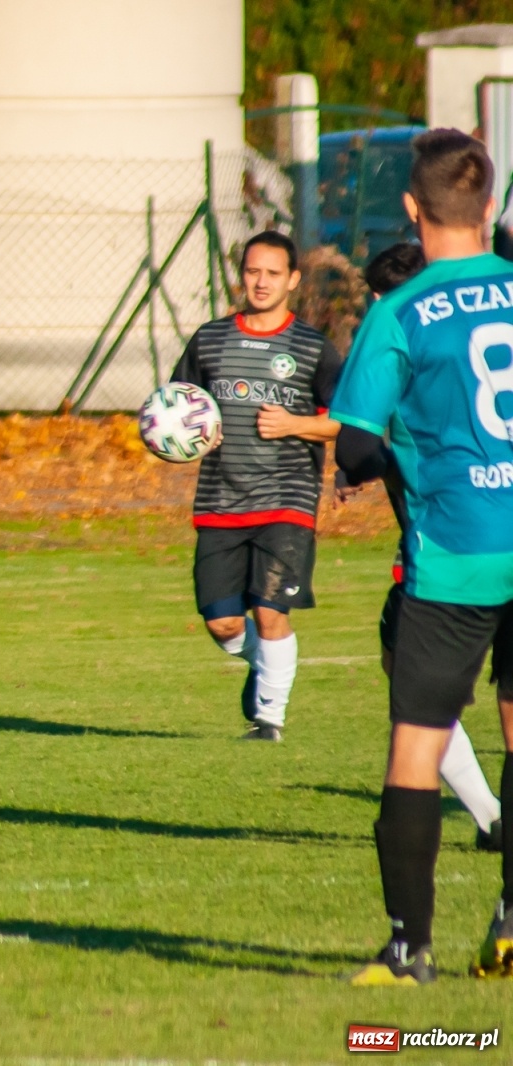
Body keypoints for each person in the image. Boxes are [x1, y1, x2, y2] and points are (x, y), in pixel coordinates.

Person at [333, 130, 513, 985]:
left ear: (412, 208)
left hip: (454, 558)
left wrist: (403, 447)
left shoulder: (398, 313)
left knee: (415, 749)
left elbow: (355, 451)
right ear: (489, 209)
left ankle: (408, 950)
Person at [170, 231, 343, 741]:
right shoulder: (209, 339)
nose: (261, 282)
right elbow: (178, 407)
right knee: (223, 625)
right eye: (252, 271)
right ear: (241, 275)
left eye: (272, 273)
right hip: (220, 501)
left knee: (270, 610)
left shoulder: (312, 347)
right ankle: (262, 664)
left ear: (292, 280)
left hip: (286, 500)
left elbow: (348, 420)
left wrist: (294, 424)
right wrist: (184, 437)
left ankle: (269, 718)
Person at [359, 241, 502, 854]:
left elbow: (358, 439)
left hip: (450, 549)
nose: (374, 306)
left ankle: (490, 818)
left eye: (378, 297)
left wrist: (364, 462)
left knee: (413, 702)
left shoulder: (410, 334)